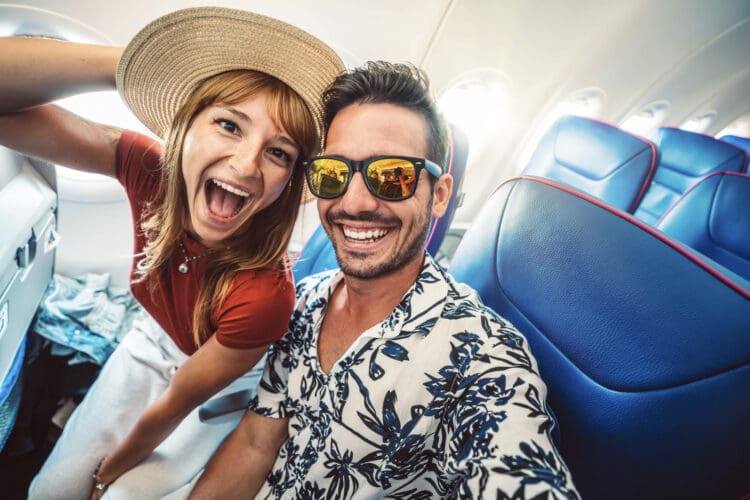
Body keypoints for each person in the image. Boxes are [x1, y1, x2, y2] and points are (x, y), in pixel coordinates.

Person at [190, 61, 579, 499]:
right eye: (334, 175)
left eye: (391, 176)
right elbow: (255, 443)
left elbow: (513, 466)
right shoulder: (305, 301)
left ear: (441, 195)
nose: (353, 203)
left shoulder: (482, 357)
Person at [0, 6, 344, 499]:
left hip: (219, 383)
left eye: (279, 152)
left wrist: (107, 475)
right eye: (229, 125)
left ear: (288, 182)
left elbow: (173, 406)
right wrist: (133, 63)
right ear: (185, 128)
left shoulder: (267, 295)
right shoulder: (149, 169)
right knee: (49, 492)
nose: (246, 163)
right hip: (150, 339)